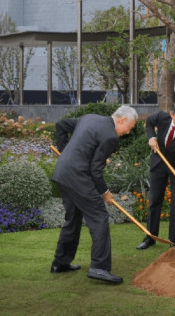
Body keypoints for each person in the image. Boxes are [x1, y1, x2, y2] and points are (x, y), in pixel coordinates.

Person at [51, 105, 138, 284]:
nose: (128, 132)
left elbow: (61, 125)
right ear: (122, 120)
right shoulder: (111, 137)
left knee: (73, 218)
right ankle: (99, 268)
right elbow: (95, 170)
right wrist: (105, 192)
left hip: (62, 174)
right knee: (99, 217)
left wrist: (64, 151)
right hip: (77, 177)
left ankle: (60, 263)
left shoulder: (89, 117)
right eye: (130, 127)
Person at [137, 100, 175, 250]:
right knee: (154, 201)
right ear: (172, 114)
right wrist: (151, 137)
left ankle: (173, 242)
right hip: (159, 164)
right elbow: (149, 123)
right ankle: (150, 237)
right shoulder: (161, 117)